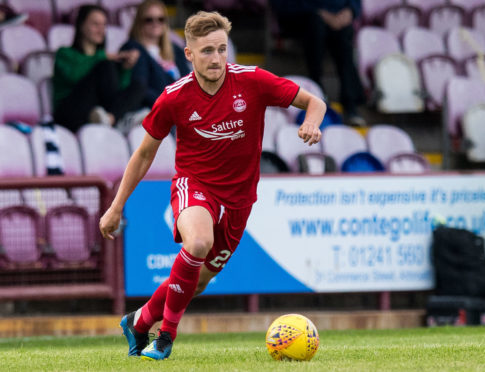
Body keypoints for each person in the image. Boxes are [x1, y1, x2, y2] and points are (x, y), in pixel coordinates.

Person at [99, 11, 325, 361]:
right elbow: (143, 154)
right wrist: (116, 207)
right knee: (199, 241)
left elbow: (315, 101)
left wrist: (311, 123)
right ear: (188, 54)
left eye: (221, 49)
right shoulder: (174, 97)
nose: (217, 58)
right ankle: (165, 337)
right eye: (207, 51)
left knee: (199, 281)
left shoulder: (252, 80)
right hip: (195, 185)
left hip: (240, 199)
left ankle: (139, 320)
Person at [272, 0, 366, 127]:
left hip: (335, 20)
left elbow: (354, 3)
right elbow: (282, 6)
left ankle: (350, 105)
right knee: (316, 25)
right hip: (302, 17)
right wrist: (320, 13)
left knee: (344, 35)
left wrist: (349, 11)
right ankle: (317, 90)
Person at [52, 4, 145, 133]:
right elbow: (74, 75)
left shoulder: (103, 59)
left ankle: (111, 118)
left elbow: (119, 89)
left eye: (104, 25)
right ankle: (120, 119)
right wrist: (102, 57)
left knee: (138, 85)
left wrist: (125, 69)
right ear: (81, 26)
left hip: (98, 113)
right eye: (95, 24)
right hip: (69, 114)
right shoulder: (64, 53)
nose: (101, 30)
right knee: (106, 66)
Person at [120, 0, 190, 109]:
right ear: (139, 22)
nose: (155, 23)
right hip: (153, 110)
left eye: (160, 19)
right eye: (149, 20)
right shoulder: (132, 48)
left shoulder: (175, 49)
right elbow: (139, 88)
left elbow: (188, 82)